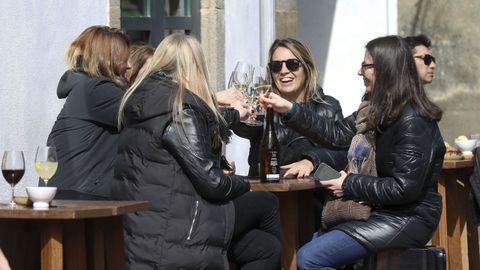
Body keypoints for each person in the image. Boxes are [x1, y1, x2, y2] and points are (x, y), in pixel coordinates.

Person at [260, 35, 445, 269]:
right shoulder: (374, 110)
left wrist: (348, 183)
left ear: (385, 69)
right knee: (303, 248)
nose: (359, 71)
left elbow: (403, 189)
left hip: (407, 218)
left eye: (366, 65)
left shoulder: (412, 119)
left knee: (310, 258)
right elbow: (336, 134)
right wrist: (289, 109)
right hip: (383, 213)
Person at [111, 33, 282, 270]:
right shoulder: (181, 108)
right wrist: (245, 184)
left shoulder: (139, 100)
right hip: (179, 229)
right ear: (196, 66)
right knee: (268, 201)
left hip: (144, 228)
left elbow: (203, 125)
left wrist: (232, 115)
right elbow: (213, 184)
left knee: (267, 247)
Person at [232, 38, 347, 178]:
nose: (284, 71)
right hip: (269, 192)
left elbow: (342, 152)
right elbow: (245, 128)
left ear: (307, 68)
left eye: (292, 64)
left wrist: (311, 161)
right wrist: (235, 112)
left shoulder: (328, 106)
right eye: (276, 66)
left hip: (312, 193)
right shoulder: (263, 108)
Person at [45, 25, 130, 199]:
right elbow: (145, 111)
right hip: (78, 197)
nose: (128, 66)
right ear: (108, 59)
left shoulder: (87, 88)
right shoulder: (97, 90)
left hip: (70, 192)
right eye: (124, 59)